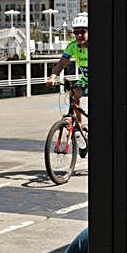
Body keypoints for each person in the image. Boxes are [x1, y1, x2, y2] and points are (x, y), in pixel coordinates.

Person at [47, 13, 89, 155]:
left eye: (82, 31)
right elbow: (61, 63)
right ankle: (80, 129)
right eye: (76, 32)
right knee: (74, 93)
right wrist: (53, 76)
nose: (79, 35)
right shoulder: (72, 46)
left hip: (101, 77)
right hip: (86, 77)